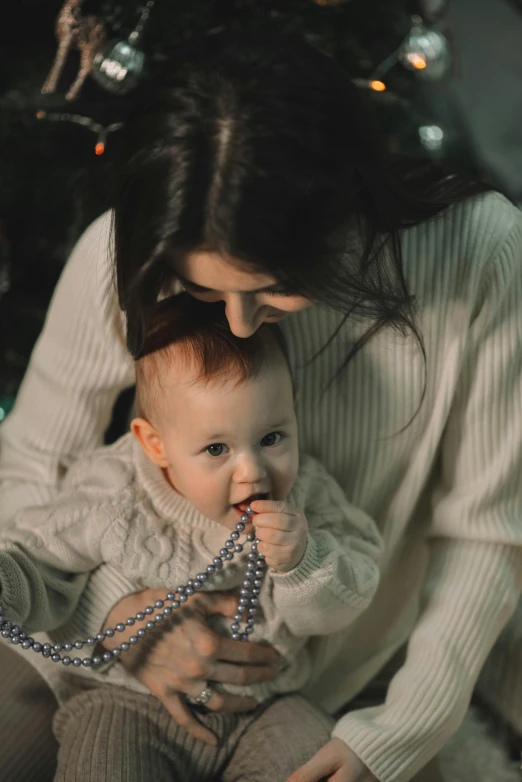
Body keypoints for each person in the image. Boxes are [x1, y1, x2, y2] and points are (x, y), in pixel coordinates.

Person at [0, 31, 521, 782]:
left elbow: (488, 534)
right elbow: (28, 464)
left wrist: (400, 735)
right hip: (94, 648)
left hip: (319, 675)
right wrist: (117, 617)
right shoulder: (134, 246)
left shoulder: (484, 253)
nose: (240, 325)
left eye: (275, 287)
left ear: (347, 207)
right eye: (208, 293)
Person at [0, 296, 385, 781]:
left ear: (294, 410)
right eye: (217, 448)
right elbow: (39, 559)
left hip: (267, 708)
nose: (253, 471)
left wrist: (304, 562)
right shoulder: (116, 490)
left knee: (319, 761)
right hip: (126, 705)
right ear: (155, 444)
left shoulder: (310, 495)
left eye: (272, 438)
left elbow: (348, 599)